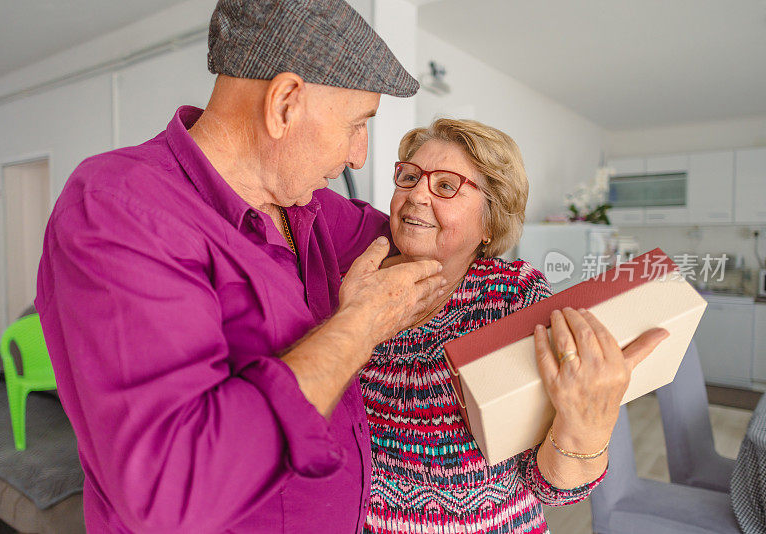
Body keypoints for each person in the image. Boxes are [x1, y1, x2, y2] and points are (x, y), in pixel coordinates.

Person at [35, 1, 447, 532]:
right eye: (356, 124)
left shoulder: (306, 206)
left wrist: (462, 206)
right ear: (284, 103)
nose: (358, 157)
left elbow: (406, 239)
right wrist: (360, 326)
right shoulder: (118, 207)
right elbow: (174, 489)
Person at [359, 118, 669, 533]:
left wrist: (586, 424)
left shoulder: (509, 299)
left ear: (490, 222)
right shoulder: (357, 279)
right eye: (410, 176)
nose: (415, 193)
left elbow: (552, 489)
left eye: (446, 186)